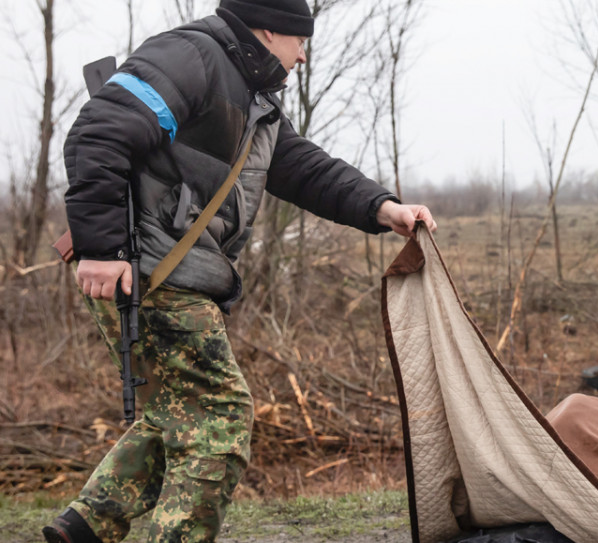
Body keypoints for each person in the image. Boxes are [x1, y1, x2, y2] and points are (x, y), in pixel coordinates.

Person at [42, 0, 435, 541]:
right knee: (221, 417)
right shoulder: (191, 56)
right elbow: (99, 132)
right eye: (301, 41)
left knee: (179, 410)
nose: (303, 56)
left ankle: (86, 525)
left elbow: (302, 168)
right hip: (150, 271)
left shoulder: (253, 95)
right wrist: (102, 249)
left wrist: (382, 208)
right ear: (270, 30)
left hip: (168, 271)